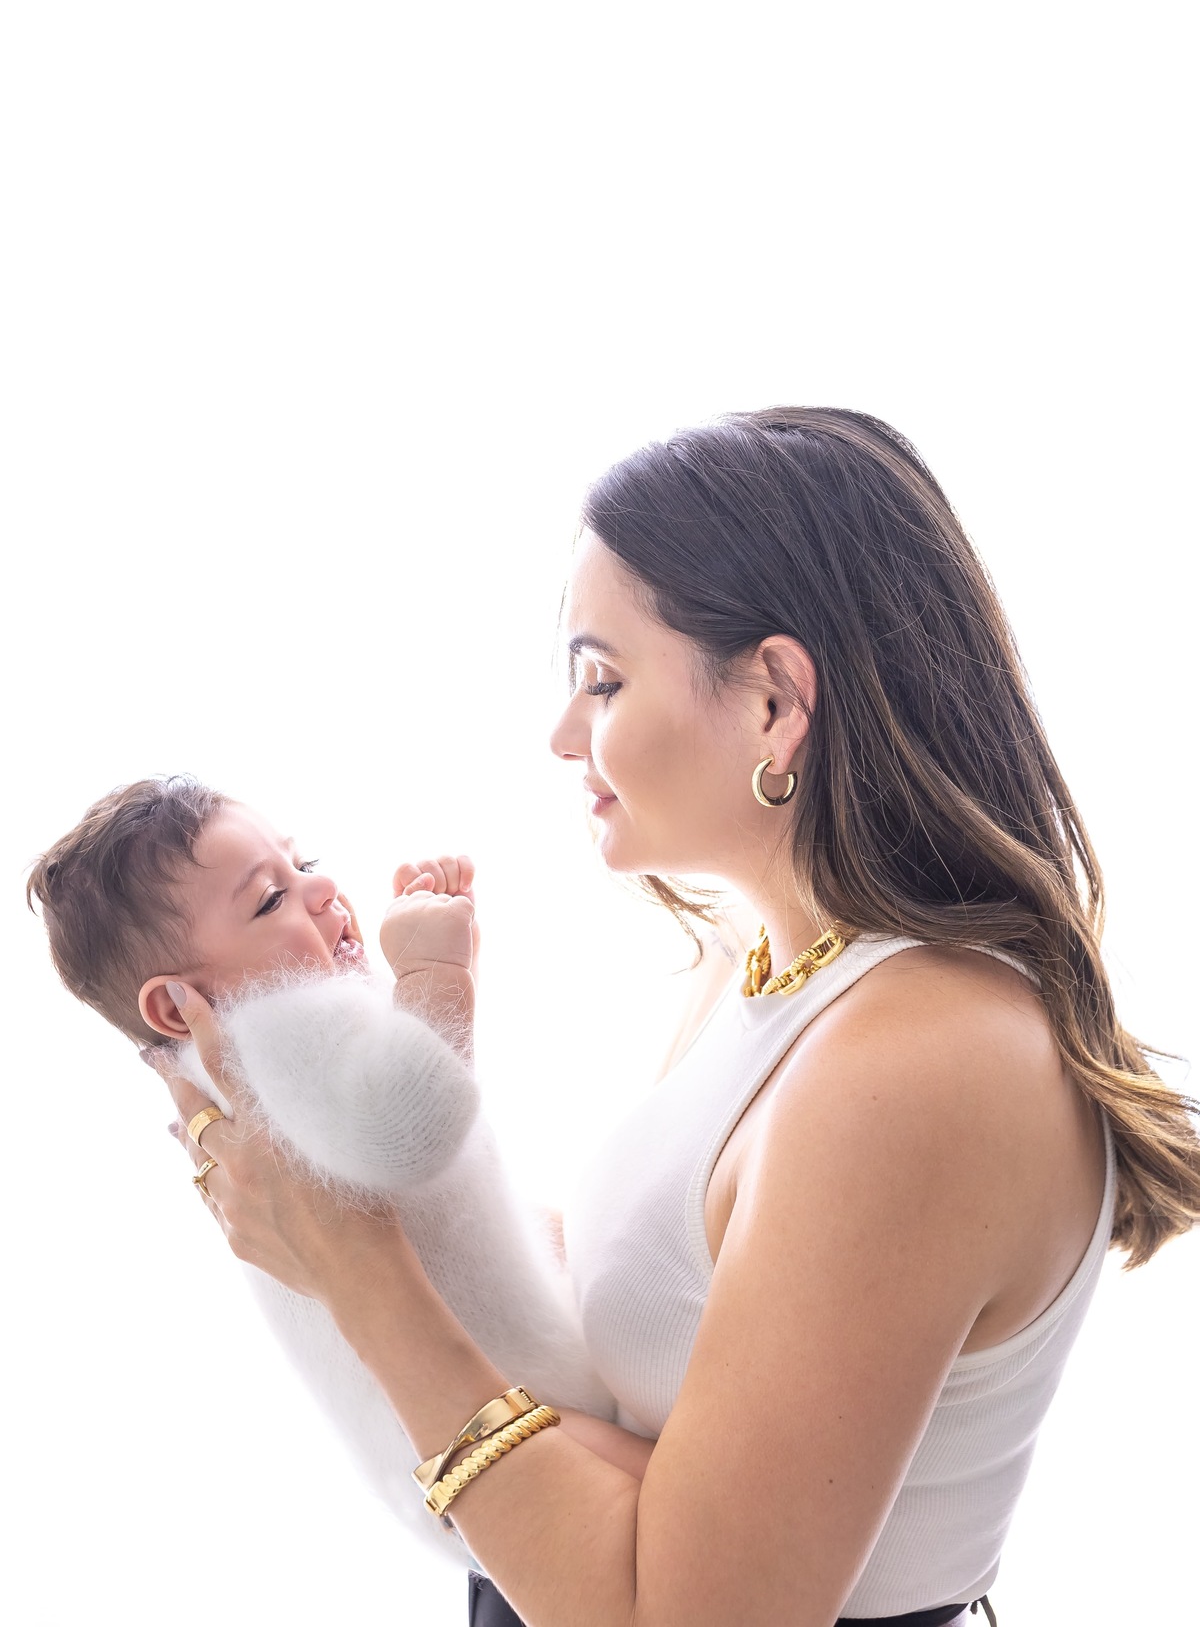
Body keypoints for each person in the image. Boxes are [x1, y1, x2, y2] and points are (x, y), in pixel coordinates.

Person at [144, 409, 1198, 1627]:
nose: (561, 734)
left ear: (772, 703)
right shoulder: (767, 962)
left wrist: (355, 1271)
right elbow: (670, 1306)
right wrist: (339, 1159)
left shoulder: (924, 1062)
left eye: (603, 679)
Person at [26, 781, 616, 1565]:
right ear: (176, 1006)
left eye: (303, 863)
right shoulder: (273, 1025)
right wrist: (438, 973)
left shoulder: (237, 1070)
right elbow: (415, 1127)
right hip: (515, 1420)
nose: (322, 889)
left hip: (467, 1443)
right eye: (272, 901)